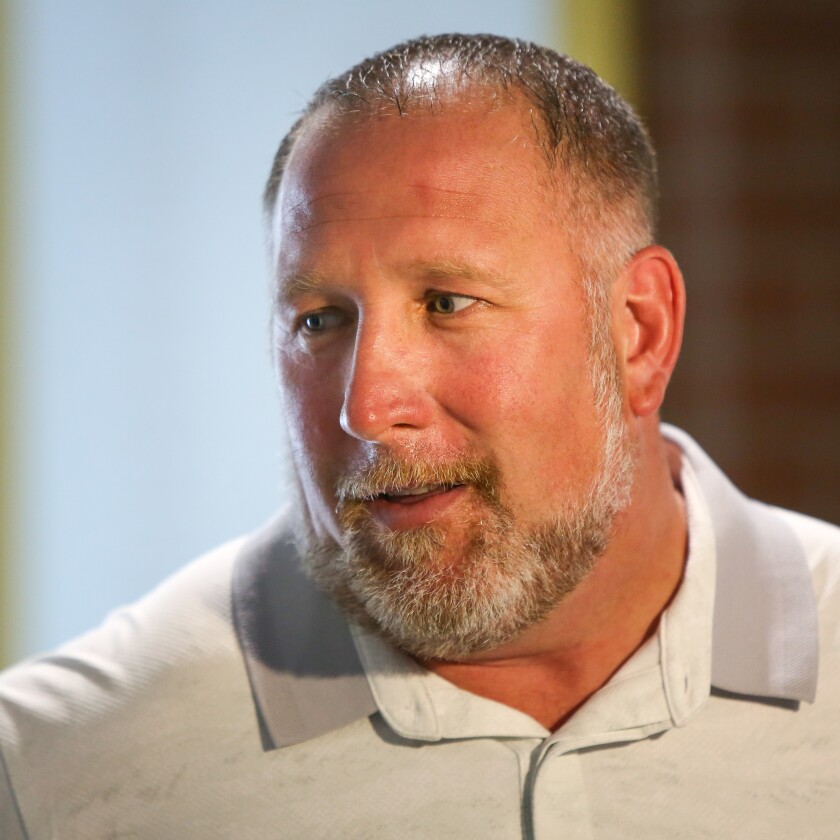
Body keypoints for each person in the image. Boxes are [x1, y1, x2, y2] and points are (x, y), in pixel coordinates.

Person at [1, 33, 838, 839]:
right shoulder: (50, 768)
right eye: (319, 320)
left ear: (637, 332)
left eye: (447, 301)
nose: (365, 407)